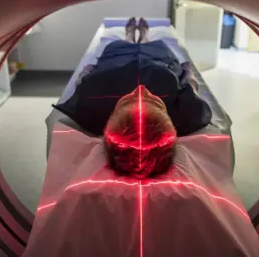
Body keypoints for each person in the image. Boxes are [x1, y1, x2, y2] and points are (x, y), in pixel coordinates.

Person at [53, 17, 213, 178]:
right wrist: (188, 70)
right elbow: (191, 82)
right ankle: (144, 36)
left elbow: (83, 76)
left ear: (108, 122)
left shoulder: (88, 105)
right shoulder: (189, 114)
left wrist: (89, 70)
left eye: (126, 101)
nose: (141, 90)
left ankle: (129, 35)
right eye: (155, 102)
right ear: (171, 123)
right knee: (153, 46)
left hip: (115, 61)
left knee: (121, 46)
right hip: (159, 61)